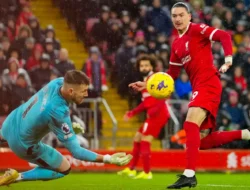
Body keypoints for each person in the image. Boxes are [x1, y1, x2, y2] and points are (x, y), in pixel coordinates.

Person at [129, 2, 250, 189]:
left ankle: (189, 174)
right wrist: (147, 84)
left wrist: (228, 60)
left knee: (189, 123)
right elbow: (171, 76)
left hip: (209, 82)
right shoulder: (176, 45)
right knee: (200, 141)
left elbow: (224, 35)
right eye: (174, 16)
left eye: (181, 15)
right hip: (199, 87)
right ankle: (244, 134)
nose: (177, 19)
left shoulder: (197, 29)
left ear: (189, 16)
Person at [0, 70, 132, 186]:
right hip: (22, 144)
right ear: (70, 91)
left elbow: (42, 116)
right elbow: (77, 152)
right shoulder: (59, 111)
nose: (86, 95)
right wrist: (108, 158)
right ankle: (18, 177)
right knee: (64, 168)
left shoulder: (57, 83)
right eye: (84, 91)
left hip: (11, 122)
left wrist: (68, 129)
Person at [117, 56, 170, 179]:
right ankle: (132, 169)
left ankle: (147, 172)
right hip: (153, 115)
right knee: (137, 138)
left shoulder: (155, 79)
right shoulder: (146, 81)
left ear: (151, 67)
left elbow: (164, 96)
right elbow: (146, 103)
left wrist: (153, 111)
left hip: (158, 115)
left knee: (145, 141)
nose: (144, 67)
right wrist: (133, 112)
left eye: (146, 65)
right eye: (141, 66)